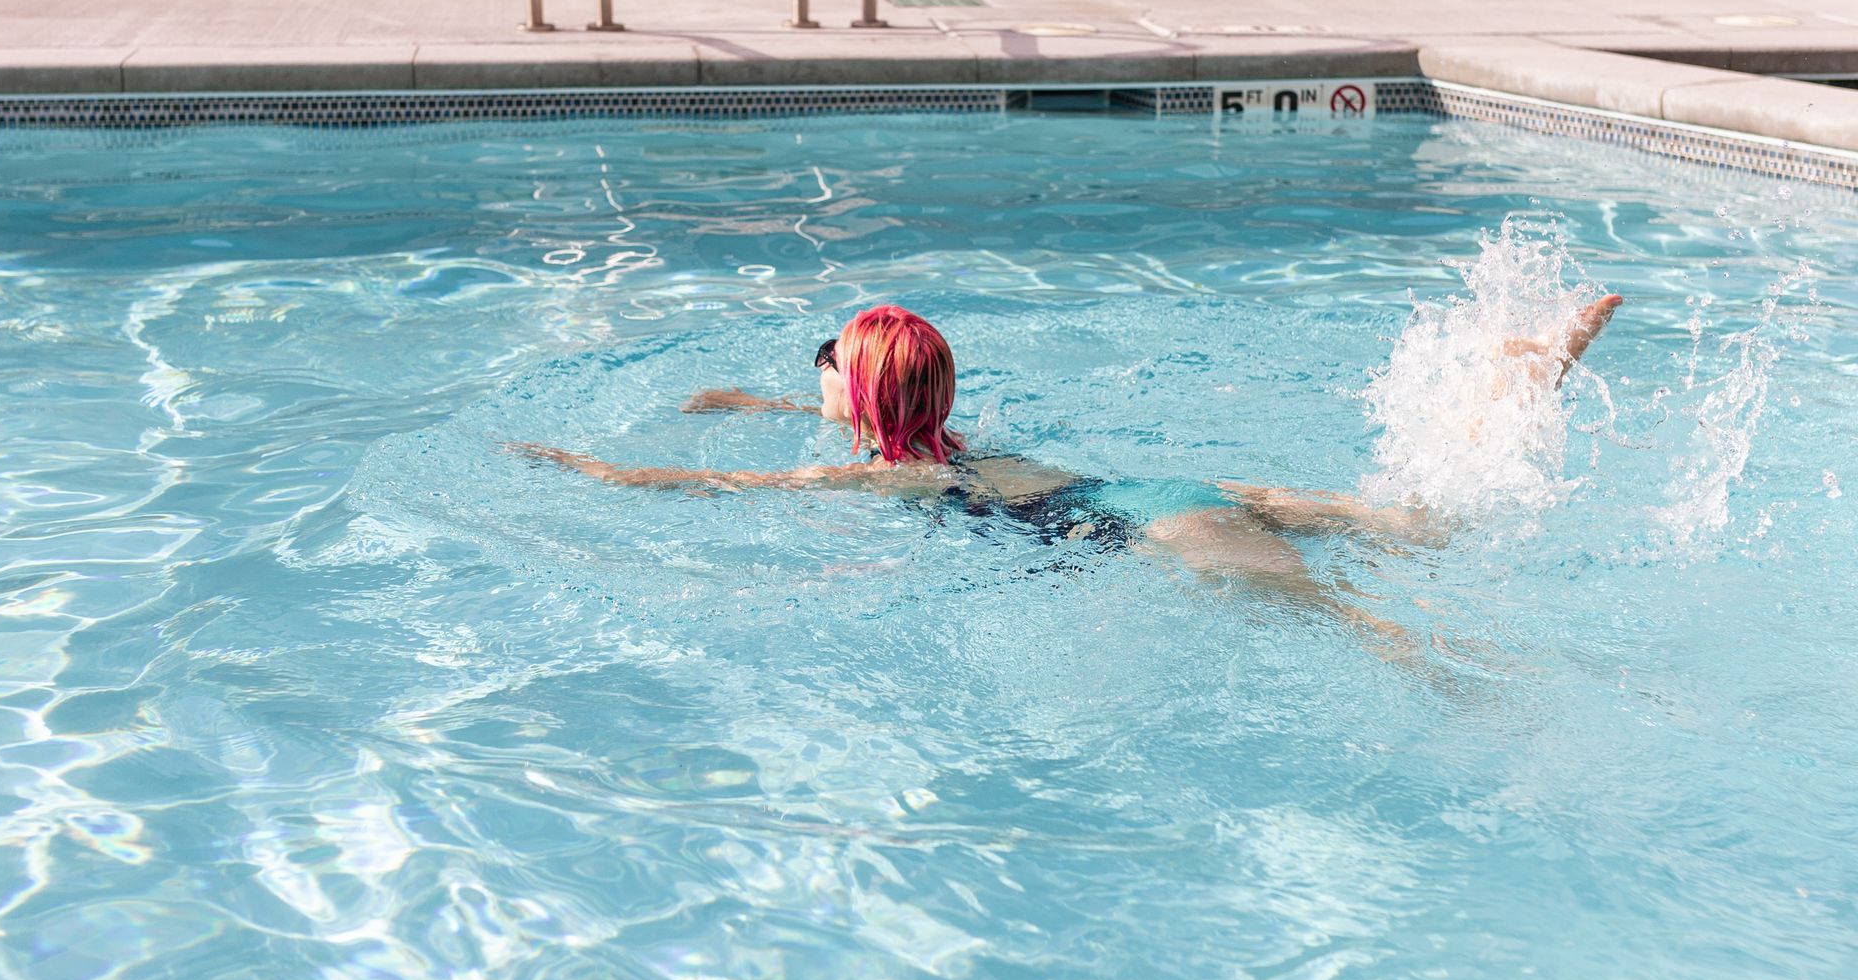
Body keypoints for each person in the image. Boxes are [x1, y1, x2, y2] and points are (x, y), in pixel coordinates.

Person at [509, 295, 1622, 648]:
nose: (819, 379)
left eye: (830, 368)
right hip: (1180, 487)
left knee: (1363, 625)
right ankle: (1517, 387)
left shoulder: (896, 478)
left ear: (866, 402)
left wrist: (596, 470)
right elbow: (874, 409)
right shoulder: (949, 440)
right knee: (1425, 523)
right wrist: (752, 400)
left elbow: (726, 490)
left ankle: (1487, 682)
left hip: (1163, 530)